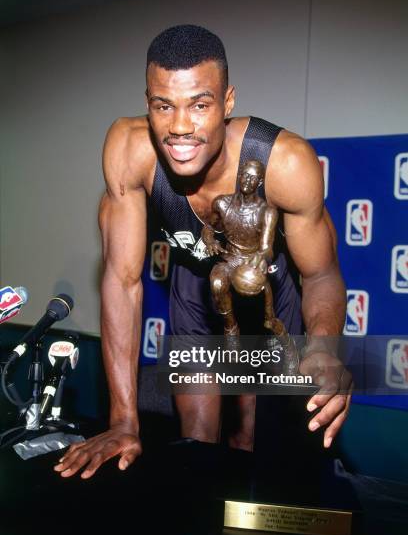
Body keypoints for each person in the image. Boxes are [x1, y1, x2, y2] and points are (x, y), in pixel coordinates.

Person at [54, 24, 352, 480]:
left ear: (227, 102)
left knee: (252, 443)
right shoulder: (129, 150)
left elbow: (321, 276)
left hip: (267, 293)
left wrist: (325, 348)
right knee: (195, 444)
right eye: (163, 106)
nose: (179, 127)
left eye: (200, 104)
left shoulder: (286, 163)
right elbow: (121, 280)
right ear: (148, 104)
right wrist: (123, 422)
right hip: (196, 287)